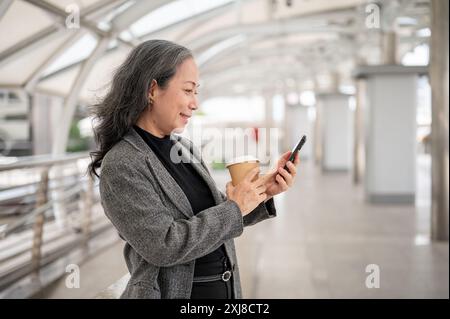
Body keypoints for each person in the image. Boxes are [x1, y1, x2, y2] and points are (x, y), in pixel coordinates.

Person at [88, 39, 300, 299]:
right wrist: (234, 208)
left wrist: (264, 190)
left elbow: (216, 214)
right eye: (188, 90)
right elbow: (164, 245)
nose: (195, 103)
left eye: (196, 92)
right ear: (152, 90)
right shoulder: (123, 164)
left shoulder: (184, 148)